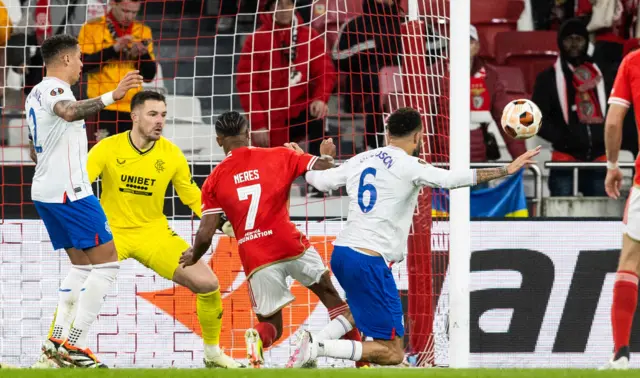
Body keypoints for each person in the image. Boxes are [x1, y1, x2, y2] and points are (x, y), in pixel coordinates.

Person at [287, 107, 540, 367]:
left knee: (358, 312)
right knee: (394, 353)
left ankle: (308, 344)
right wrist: (506, 170)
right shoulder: (410, 165)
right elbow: (451, 179)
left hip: (342, 254)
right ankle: (317, 347)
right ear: (419, 136)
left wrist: (303, 160)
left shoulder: (362, 158)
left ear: (387, 134)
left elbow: (320, 181)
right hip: (368, 260)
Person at [34, 91, 243, 369]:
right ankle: (52, 353)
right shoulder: (108, 147)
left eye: (164, 115)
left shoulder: (171, 154)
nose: (160, 121)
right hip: (111, 232)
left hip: (152, 234)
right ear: (134, 116)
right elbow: (79, 183)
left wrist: (219, 221)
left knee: (208, 284)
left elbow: (192, 195)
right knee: (82, 280)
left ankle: (213, 354)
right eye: (153, 114)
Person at [179, 111, 365, 368]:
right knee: (333, 299)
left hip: (256, 257)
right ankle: (362, 364)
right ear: (248, 133)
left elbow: (205, 233)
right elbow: (324, 171)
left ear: (219, 140)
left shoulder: (213, 180)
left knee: (271, 325)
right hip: (290, 244)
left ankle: (256, 339)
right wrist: (326, 154)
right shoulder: (280, 154)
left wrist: (194, 255)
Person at [24, 34, 142, 368]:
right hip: (70, 193)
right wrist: (113, 96)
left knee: (81, 267)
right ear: (63, 60)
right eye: (78, 58)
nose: (81, 64)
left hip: (47, 192)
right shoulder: (55, 90)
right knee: (107, 265)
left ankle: (54, 344)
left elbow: (35, 148)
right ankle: (74, 346)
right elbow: (70, 112)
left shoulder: (34, 93)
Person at [236, 0, 335, 157]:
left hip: (299, 111)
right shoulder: (255, 40)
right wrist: (258, 124)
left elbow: (325, 72)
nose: (284, 9)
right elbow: (246, 85)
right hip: (269, 118)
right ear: (269, 9)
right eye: (279, 5)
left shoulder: (310, 36)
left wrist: (321, 98)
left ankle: (319, 173)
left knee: (320, 116)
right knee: (273, 169)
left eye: (288, 4)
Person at [532, 19, 607, 197]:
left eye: (579, 39)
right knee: (560, 220)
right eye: (569, 39)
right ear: (560, 42)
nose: (574, 44)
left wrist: (603, 136)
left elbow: (614, 110)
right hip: (564, 161)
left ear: (587, 42)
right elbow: (536, 118)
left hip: (599, 160)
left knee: (601, 221)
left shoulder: (602, 75)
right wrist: (563, 138)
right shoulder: (547, 78)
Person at [600, 47, 640, 371]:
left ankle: (621, 354)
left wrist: (613, 165)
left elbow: (614, 121)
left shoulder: (633, 62)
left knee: (630, 261)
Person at [78, 0, 157, 143]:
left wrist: (142, 55)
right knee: (101, 157)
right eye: (126, 11)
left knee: (130, 158)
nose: (129, 17)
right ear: (113, 4)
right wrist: (114, 49)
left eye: (134, 12)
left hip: (132, 108)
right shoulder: (91, 28)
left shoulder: (143, 31)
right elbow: (83, 66)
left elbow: (149, 76)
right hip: (101, 105)